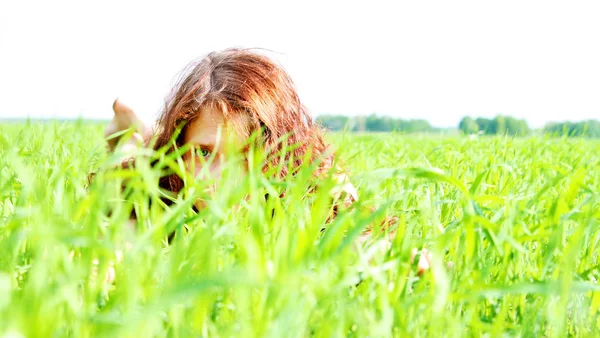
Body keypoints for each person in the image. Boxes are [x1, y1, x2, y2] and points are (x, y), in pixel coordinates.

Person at [102, 48, 432, 277]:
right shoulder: (162, 190)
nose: (222, 182)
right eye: (203, 152)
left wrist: (391, 256)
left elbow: (353, 239)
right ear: (181, 148)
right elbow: (117, 250)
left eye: (246, 155)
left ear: (277, 153)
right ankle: (131, 134)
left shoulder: (313, 188)